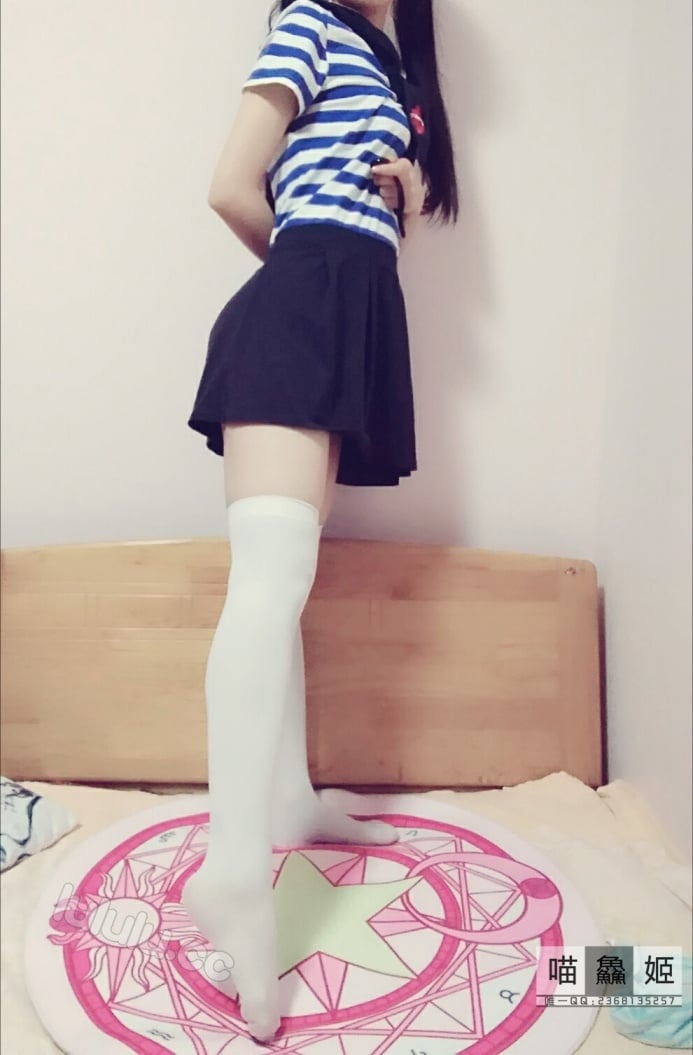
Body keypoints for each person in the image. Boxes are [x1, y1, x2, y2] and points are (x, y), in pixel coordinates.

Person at [183, 0, 459, 1041]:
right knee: (268, 578)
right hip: (305, 306)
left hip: (349, 315)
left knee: (287, 576)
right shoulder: (310, 21)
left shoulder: (395, 73)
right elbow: (229, 184)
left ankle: (290, 797)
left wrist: (410, 195)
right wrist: (310, 274)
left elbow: (354, 200)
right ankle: (231, 870)